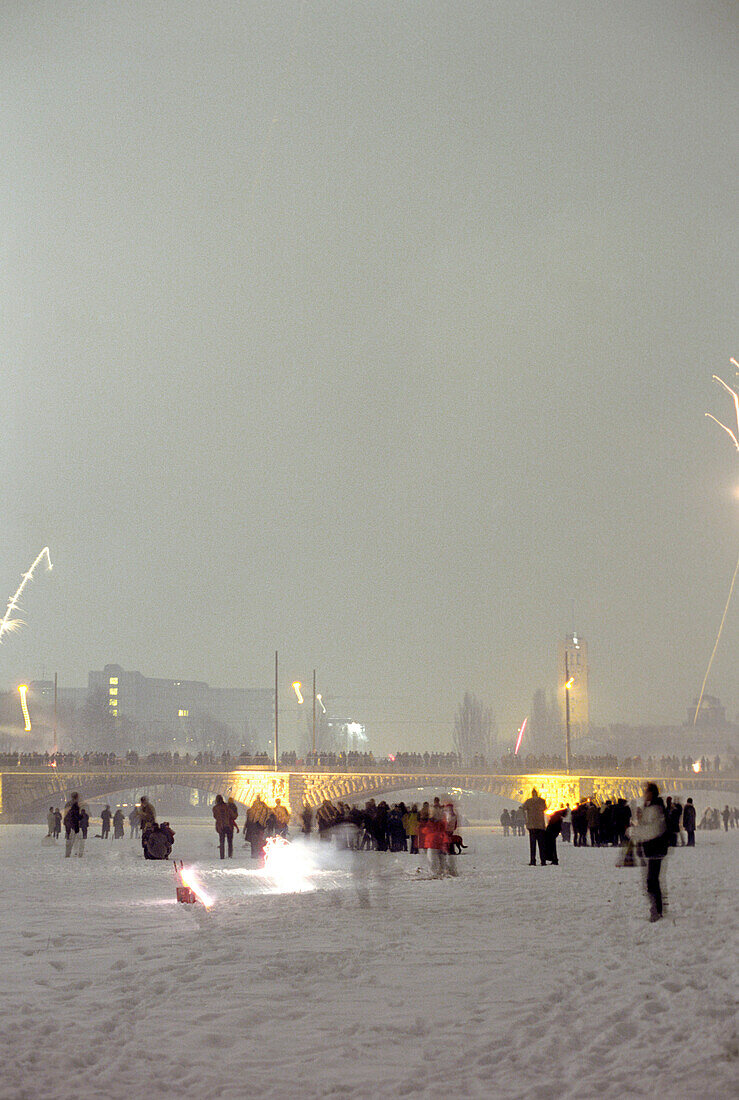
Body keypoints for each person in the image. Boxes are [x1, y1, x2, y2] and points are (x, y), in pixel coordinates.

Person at [629, 782, 668, 922]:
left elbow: (653, 830)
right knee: (652, 880)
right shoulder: (651, 807)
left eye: (646, 791)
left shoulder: (655, 808)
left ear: (651, 793)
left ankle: (657, 910)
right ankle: (657, 909)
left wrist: (634, 831)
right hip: (653, 847)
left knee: (651, 881)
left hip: (656, 847)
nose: (644, 794)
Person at [522, 788, 547, 866]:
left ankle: (533, 860)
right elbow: (545, 808)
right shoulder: (542, 801)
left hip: (532, 825)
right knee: (542, 845)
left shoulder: (528, 801)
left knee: (532, 845)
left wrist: (526, 820)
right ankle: (543, 861)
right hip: (540, 825)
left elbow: (523, 809)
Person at [212, 794, 234, 859]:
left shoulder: (215, 808)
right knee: (230, 841)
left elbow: (215, 816)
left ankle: (222, 856)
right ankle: (230, 855)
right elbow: (233, 815)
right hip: (228, 825)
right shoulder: (227, 807)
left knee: (222, 842)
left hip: (220, 826)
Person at [63, 793, 82, 858]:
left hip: (68, 824)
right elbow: (76, 816)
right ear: (77, 797)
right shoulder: (76, 805)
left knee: (69, 839)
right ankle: (75, 853)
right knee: (76, 840)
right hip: (74, 825)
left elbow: (65, 814)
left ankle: (67, 853)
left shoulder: (67, 804)